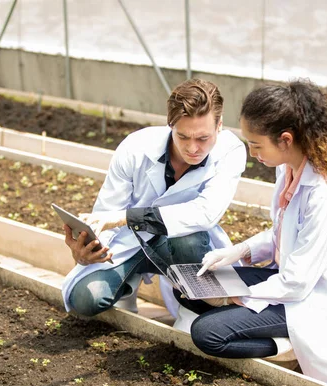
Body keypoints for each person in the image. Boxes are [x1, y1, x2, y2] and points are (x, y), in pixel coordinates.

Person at [177, 80, 327, 386]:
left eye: (256, 144)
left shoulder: (326, 191)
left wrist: (236, 296)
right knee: (192, 292)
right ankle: (259, 321)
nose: (252, 152)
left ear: (285, 139)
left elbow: (298, 282)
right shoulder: (288, 168)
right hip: (290, 284)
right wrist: (237, 252)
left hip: (318, 298)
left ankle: (288, 347)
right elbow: (281, 235)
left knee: (207, 333)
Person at [61, 78, 247, 319]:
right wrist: (90, 251)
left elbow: (205, 213)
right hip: (131, 242)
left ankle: (190, 302)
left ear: (219, 125)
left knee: (187, 240)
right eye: (183, 137)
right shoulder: (135, 147)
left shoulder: (230, 151)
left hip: (185, 245)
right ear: (170, 125)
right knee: (85, 299)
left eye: (202, 138)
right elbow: (108, 210)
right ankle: (127, 285)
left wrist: (126, 218)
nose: (192, 148)